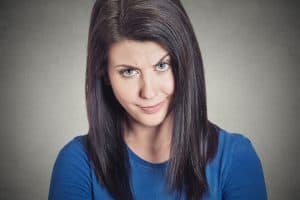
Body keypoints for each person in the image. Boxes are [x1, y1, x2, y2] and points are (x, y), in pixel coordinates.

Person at [48, 0, 268, 199]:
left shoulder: (235, 158)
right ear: (105, 74)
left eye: (162, 66)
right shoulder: (77, 163)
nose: (149, 92)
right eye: (129, 72)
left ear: (184, 63)